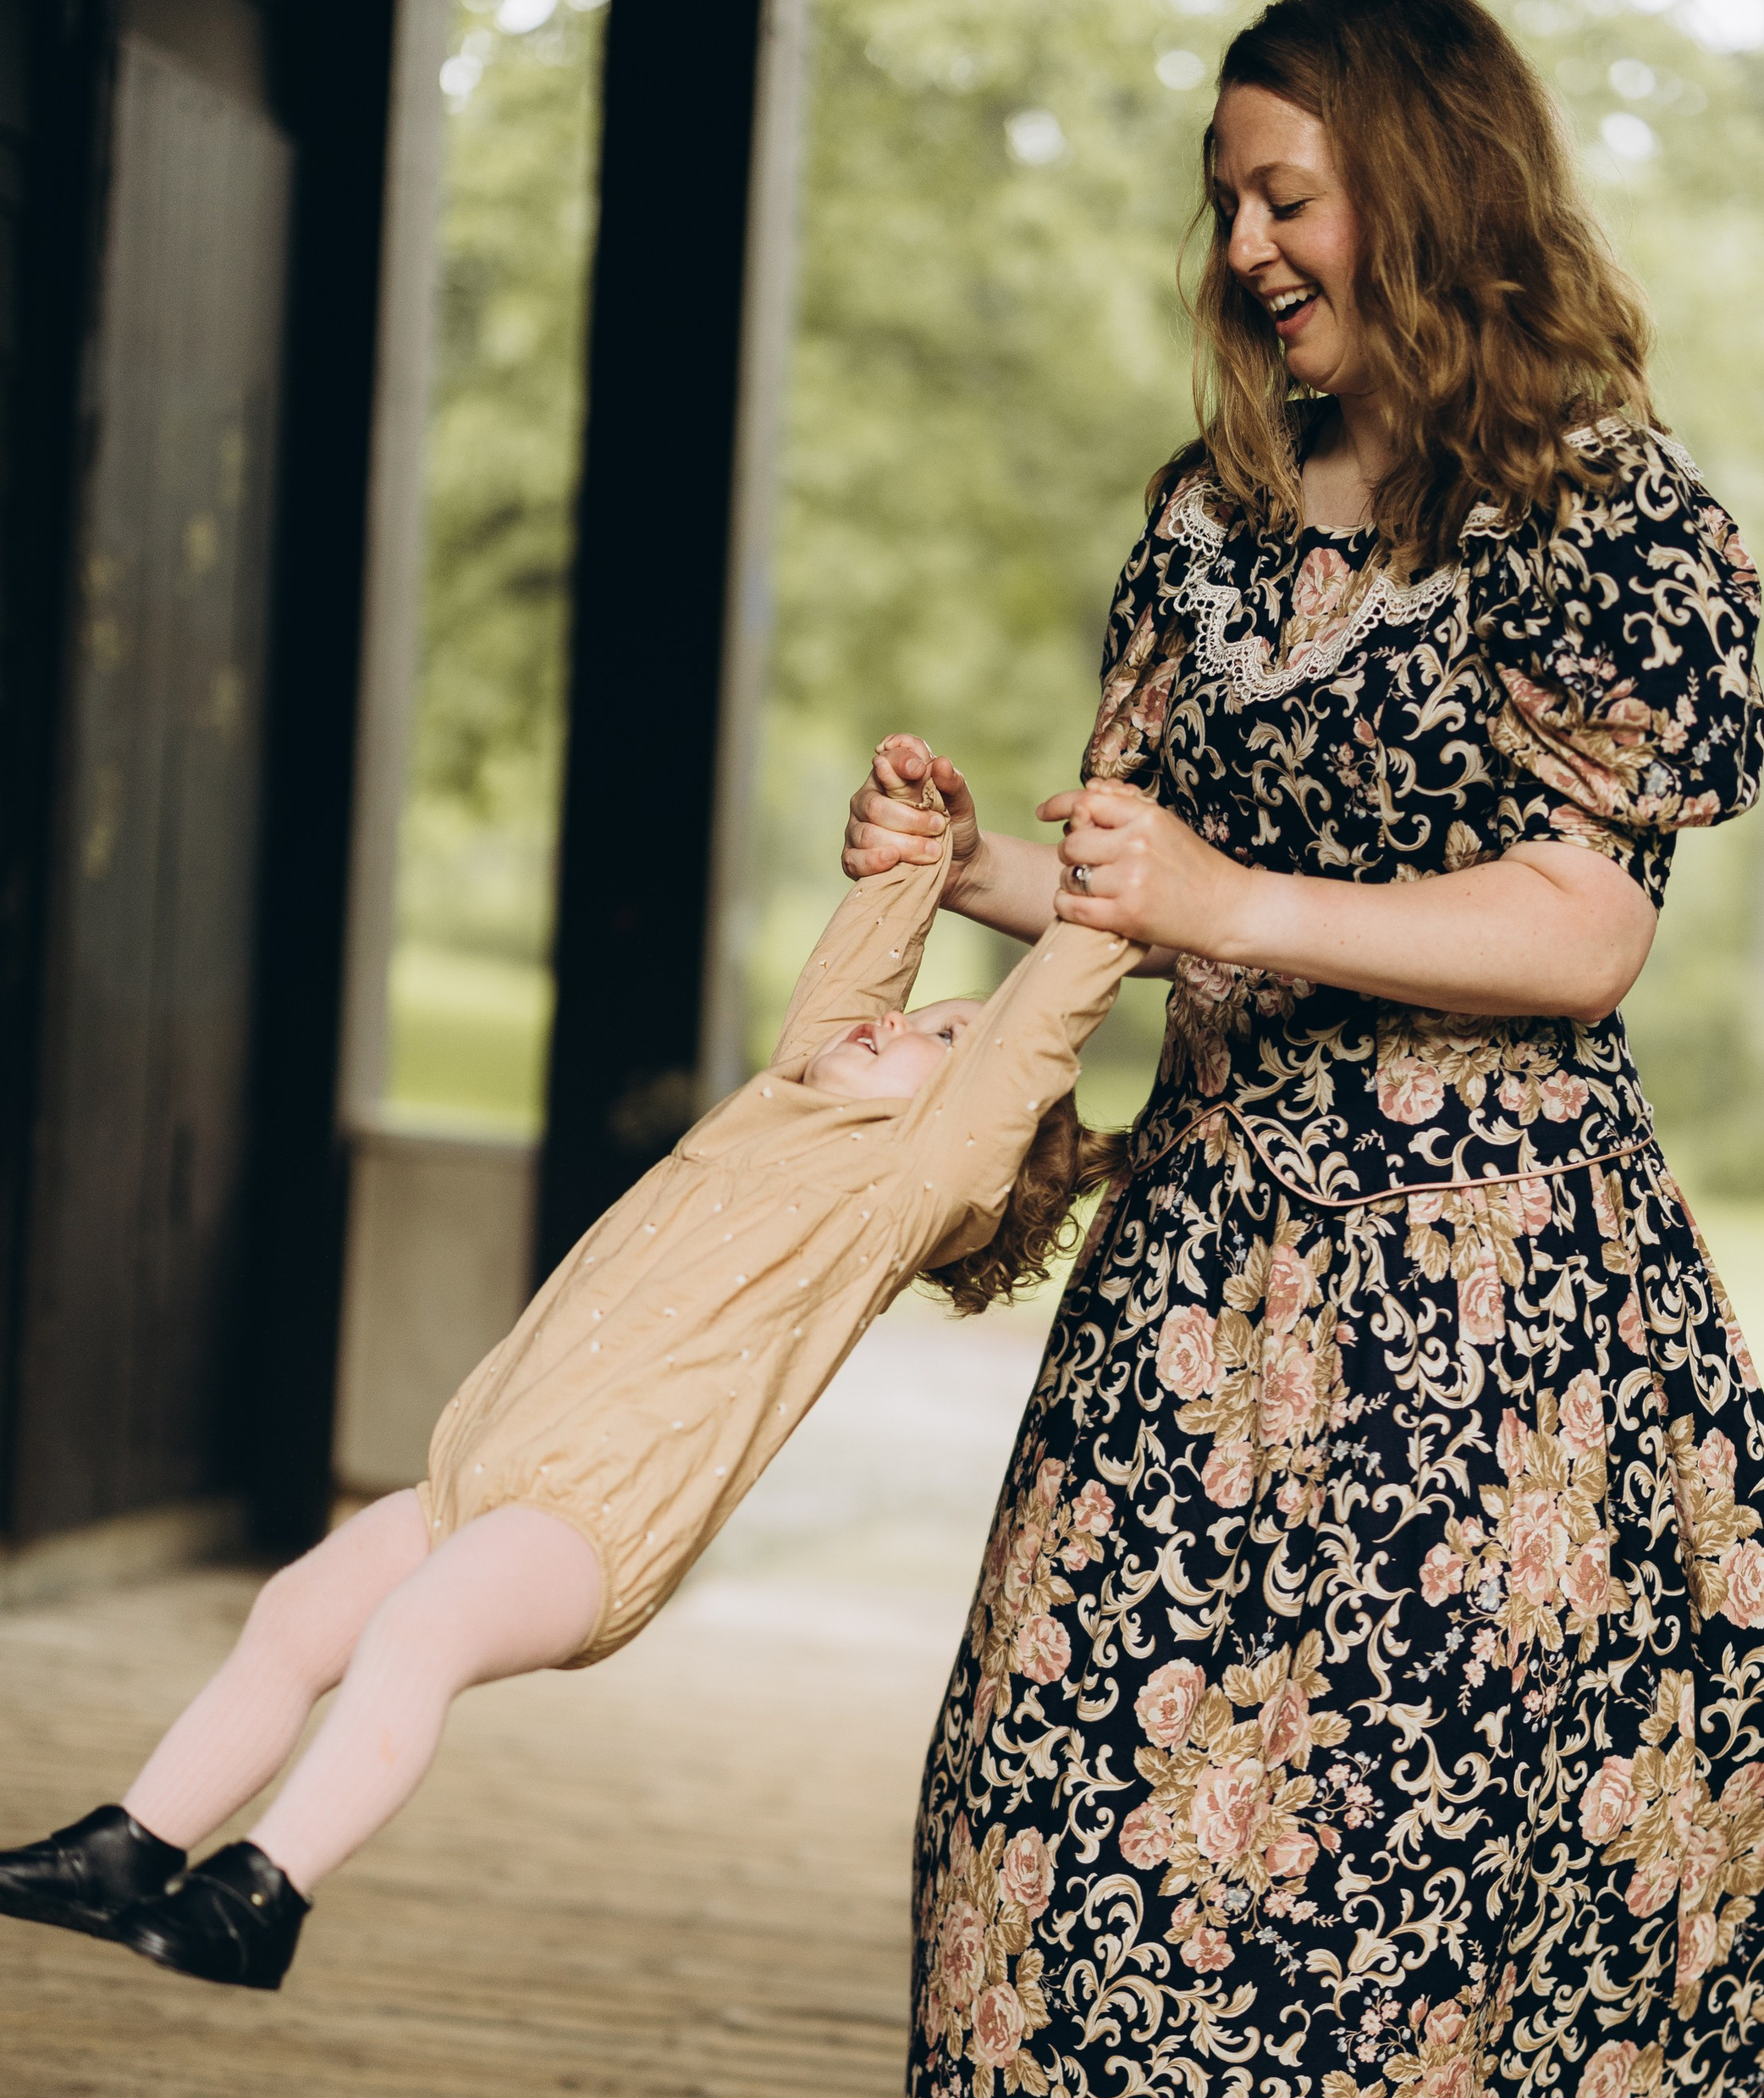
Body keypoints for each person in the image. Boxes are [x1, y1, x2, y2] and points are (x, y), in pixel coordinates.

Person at [843, 0, 1764, 2098]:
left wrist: (1230, 905)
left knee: (1446, 1810)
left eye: (1287, 189)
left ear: (1424, 187)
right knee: (1080, 1772)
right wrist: (965, 860)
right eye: (1227, 195)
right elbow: (1136, 871)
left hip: (1487, 1281)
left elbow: (1582, 923)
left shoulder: (1598, 514)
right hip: (1213, 1253)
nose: (1250, 241)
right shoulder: (1211, 517)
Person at [0, 759, 1133, 1992]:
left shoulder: (907, 1184)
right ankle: (134, 1843)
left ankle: (266, 1889)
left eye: (945, 1042)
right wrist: (914, 845)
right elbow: (859, 974)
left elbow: (1027, 1044)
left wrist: (1102, 908)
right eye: (926, 1010)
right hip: (478, 1475)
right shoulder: (787, 1099)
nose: (905, 1021)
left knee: (414, 1630)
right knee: (298, 1613)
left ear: (975, 1131)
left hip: (593, 1521)